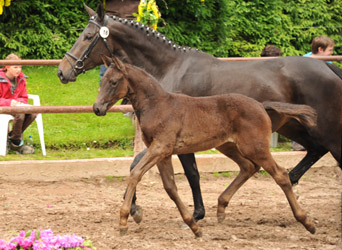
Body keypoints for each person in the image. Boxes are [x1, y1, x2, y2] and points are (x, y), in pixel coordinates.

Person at [0, 53, 36, 154]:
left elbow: (24, 97)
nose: (18, 70)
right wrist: (9, 102)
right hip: (3, 107)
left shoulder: (21, 79)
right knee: (20, 113)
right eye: (15, 67)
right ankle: (16, 142)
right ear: (7, 67)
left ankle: (11, 137)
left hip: (16, 107)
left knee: (33, 113)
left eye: (20, 67)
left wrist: (20, 102)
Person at [99, 0, 140, 86]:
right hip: (112, 21)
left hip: (132, 22)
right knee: (108, 52)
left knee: (133, 57)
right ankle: (104, 84)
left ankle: (134, 87)